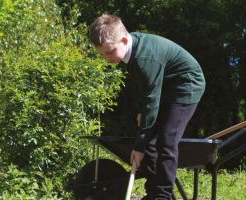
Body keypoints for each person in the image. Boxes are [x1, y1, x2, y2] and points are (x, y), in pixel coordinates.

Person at [88, 14, 205, 200]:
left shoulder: (145, 59)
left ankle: (162, 196)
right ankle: (154, 192)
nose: (106, 58)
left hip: (185, 86)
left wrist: (139, 146)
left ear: (124, 40)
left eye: (109, 52)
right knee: (150, 142)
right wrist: (142, 115)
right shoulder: (130, 52)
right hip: (165, 87)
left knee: (166, 141)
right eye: (101, 54)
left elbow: (151, 97)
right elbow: (142, 89)